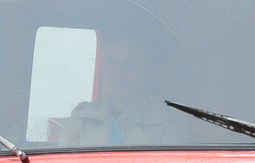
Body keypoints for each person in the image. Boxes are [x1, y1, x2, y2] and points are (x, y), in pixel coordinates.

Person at [57, 32, 197, 146]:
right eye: (112, 61)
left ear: (150, 75)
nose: (118, 71)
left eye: (130, 63)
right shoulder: (82, 118)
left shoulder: (169, 121)